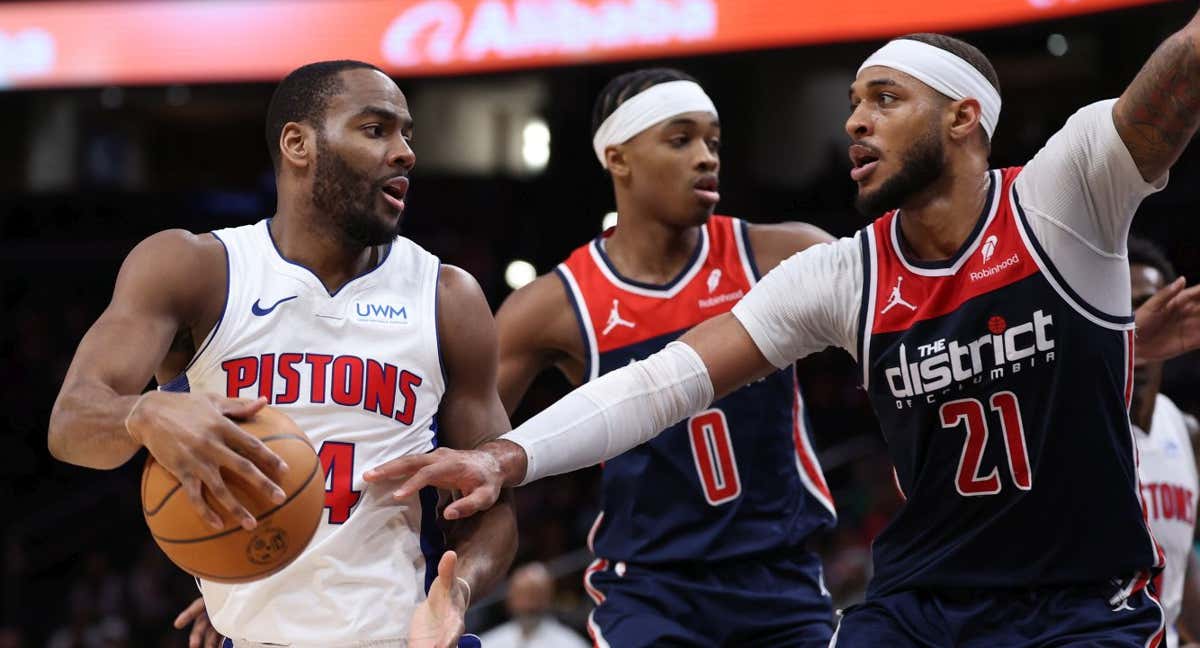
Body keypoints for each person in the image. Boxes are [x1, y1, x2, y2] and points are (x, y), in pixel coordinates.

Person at [369, 20, 1200, 647]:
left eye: (885, 98)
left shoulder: (1063, 197)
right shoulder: (842, 272)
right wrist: (500, 457)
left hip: (1078, 606)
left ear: (964, 117)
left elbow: (1178, 77)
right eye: (852, 105)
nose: (855, 124)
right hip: (917, 605)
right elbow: (663, 383)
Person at [47, 60, 516, 648]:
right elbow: (71, 423)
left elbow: (494, 505)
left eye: (407, 135)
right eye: (376, 129)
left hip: (402, 636)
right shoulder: (197, 269)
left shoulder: (447, 296)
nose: (404, 153)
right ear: (298, 143)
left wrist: (459, 591)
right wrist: (143, 414)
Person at [480, 67, 837, 646]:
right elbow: (468, 442)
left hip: (780, 578)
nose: (705, 157)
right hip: (648, 591)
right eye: (680, 139)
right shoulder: (552, 305)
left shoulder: (784, 254)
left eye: (713, 142)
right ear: (618, 158)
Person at [1129, 236, 1200, 648]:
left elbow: (1182, 557)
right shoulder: (1075, 429)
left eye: (1146, 303)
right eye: (1121, 310)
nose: (1139, 320)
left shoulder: (1184, 428)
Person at [477, 562, 588, 648]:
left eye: (535, 595)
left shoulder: (571, 644)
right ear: (510, 598)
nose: (528, 604)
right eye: (522, 594)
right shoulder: (488, 642)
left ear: (548, 597)